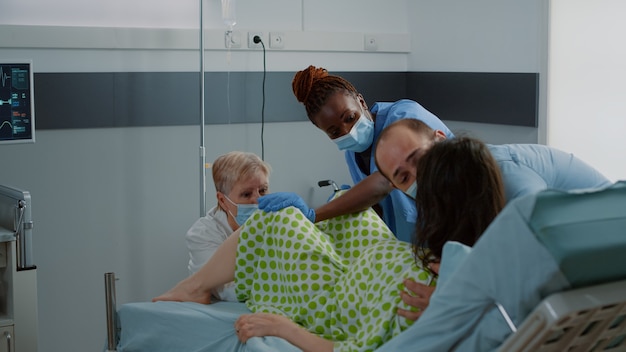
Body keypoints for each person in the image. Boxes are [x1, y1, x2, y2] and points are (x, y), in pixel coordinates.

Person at [152, 137, 505, 352]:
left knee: (275, 218)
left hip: (334, 299)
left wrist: (280, 327)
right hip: (366, 268)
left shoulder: (428, 297)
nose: (411, 188)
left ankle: (192, 288)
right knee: (351, 211)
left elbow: (353, 349)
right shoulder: (476, 257)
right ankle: (195, 286)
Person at [374, 118, 613, 321]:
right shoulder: (452, 197)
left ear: (439, 139)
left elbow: (540, 258)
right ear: (397, 188)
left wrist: (458, 301)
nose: (418, 176)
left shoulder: (504, 176)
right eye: (404, 177)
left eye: (419, 159)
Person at [258, 65, 454, 243]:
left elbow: (384, 182)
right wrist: (342, 207)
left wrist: (314, 214)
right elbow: (379, 207)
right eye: (334, 132)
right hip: (417, 244)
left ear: (361, 101)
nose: (347, 131)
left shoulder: (404, 116)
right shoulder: (354, 155)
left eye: (350, 118)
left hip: (457, 218)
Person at [185, 151, 271, 301]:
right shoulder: (202, 234)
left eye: (263, 191)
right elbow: (228, 290)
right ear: (222, 200)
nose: (258, 201)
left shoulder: (275, 220)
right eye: (246, 194)